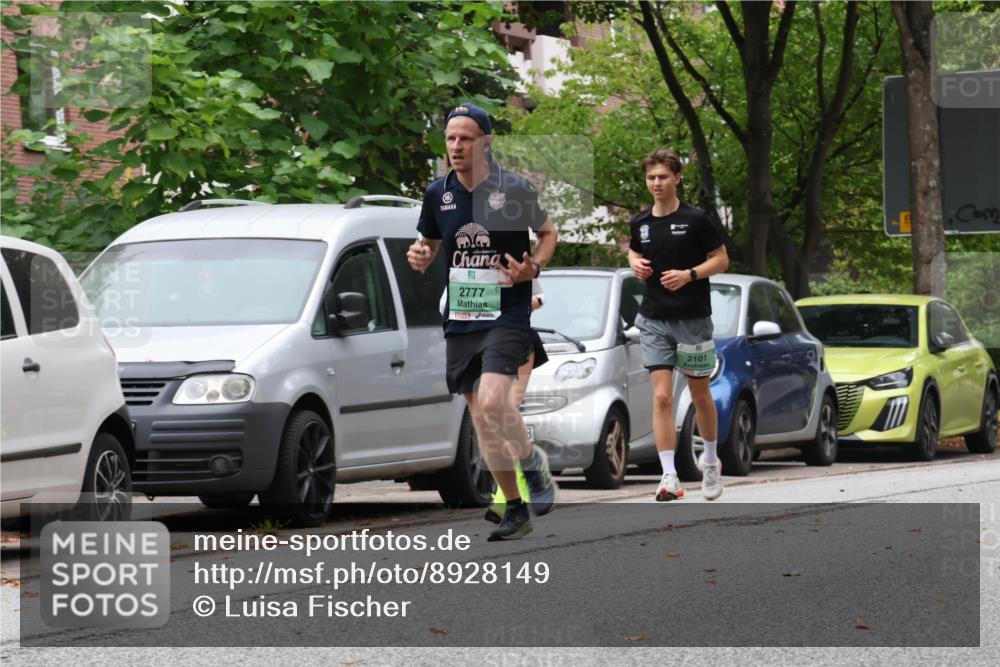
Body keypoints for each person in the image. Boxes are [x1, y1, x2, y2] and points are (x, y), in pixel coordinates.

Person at [407, 102, 558, 541]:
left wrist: (534, 268)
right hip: (463, 312)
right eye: (451, 138)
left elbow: (547, 234)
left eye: (465, 138)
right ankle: (514, 507)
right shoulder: (439, 193)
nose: (456, 146)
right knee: (480, 417)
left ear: (485, 143)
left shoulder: (512, 189)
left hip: (508, 310)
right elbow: (430, 243)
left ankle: (532, 465)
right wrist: (420, 255)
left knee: (494, 402)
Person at [627, 148, 729, 502]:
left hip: (693, 320)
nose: (656, 183)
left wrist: (690, 275)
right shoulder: (640, 222)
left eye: (663, 177)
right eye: (651, 177)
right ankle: (669, 476)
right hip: (654, 319)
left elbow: (721, 259)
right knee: (661, 396)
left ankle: (712, 462)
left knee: (700, 395)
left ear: (677, 177)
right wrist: (634, 263)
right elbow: (634, 250)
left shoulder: (697, 219)